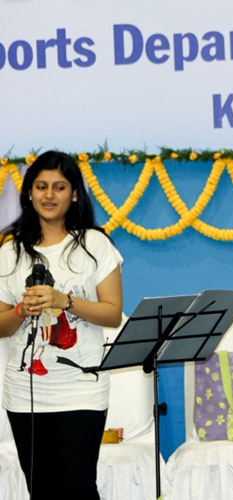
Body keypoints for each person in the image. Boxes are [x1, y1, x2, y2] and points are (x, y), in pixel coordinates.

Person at [0, 151, 123, 499]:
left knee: (78, 487)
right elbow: (1, 326)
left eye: (59, 187)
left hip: (82, 388)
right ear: (29, 193)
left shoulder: (95, 244)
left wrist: (63, 300)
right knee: (42, 491)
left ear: (74, 194)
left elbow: (112, 313)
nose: (49, 195)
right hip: (25, 392)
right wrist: (22, 310)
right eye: (41, 187)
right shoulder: (9, 252)